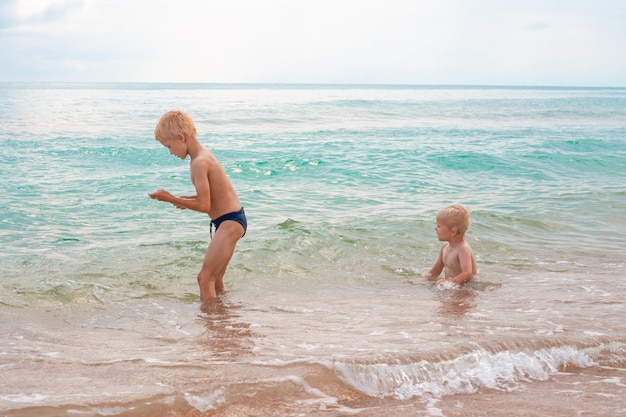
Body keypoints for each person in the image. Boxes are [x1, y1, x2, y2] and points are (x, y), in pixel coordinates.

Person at [149, 110, 247, 302]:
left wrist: (170, 198)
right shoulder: (204, 156)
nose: (170, 152)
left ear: (180, 137)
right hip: (233, 219)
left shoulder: (199, 163)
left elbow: (204, 205)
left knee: (204, 279)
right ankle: (224, 317)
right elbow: (214, 196)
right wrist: (186, 198)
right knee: (216, 279)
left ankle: (210, 324)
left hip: (229, 222)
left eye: (169, 146)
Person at [424, 204, 477, 287]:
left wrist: (451, 281)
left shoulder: (463, 248)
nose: (435, 228)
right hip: (453, 286)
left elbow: (467, 273)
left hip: (466, 288)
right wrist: (426, 279)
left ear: (453, 232)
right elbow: (436, 270)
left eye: (439, 226)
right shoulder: (445, 247)